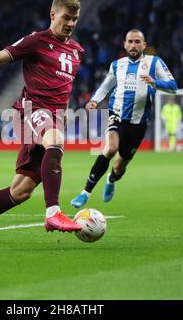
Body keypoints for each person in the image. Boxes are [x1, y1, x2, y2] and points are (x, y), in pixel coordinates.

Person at [0, 0, 84, 245]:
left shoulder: (77, 50)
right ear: (53, 15)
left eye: (75, 19)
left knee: (20, 191)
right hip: (31, 111)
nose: (70, 24)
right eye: (66, 18)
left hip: (53, 117)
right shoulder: (36, 40)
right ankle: (53, 213)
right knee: (55, 140)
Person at [71, 29, 177, 208]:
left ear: (144, 45)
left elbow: (173, 87)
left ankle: (111, 180)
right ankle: (85, 193)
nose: (133, 45)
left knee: (119, 167)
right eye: (130, 41)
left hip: (138, 124)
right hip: (117, 115)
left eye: (137, 42)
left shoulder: (154, 62)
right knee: (110, 149)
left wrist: (154, 82)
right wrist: (94, 101)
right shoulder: (117, 65)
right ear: (124, 44)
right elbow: (106, 86)